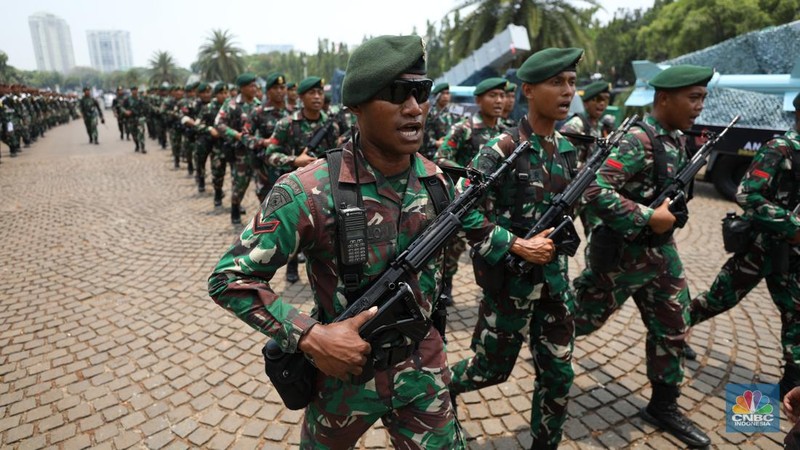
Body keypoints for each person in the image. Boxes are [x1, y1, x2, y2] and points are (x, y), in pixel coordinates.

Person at [209, 34, 475, 449]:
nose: (414, 108)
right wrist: (312, 337)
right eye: (396, 93)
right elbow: (229, 278)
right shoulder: (309, 190)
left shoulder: (438, 182)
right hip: (343, 375)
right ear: (356, 106)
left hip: (422, 368)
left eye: (421, 92)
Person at [572, 65, 714, 448]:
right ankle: (542, 344)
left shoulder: (676, 139)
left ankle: (663, 405)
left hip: (660, 255)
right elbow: (593, 189)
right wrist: (648, 216)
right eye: (693, 97)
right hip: (621, 258)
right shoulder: (639, 139)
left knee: (673, 325)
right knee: (580, 320)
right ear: (664, 99)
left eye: (703, 97)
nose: (700, 106)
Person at [448, 47, 583, 450]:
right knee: (489, 371)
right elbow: (458, 207)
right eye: (556, 82)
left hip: (555, 285)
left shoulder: (567, 148)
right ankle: (437, 392)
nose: (567, 91)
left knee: (559, 375)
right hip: (511, 285)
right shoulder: (502, 148)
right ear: (528, 90)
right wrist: (516, 244)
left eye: (571, 83)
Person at [688, 92, 800, 398]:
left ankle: (791, 382)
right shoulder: (780, 149)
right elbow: (748, 194)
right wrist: (792, 226)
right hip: (760, 247)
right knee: (720, 298)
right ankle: (672, 331)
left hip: (792, 254)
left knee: (796, 310)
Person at [433, 77, 508, 304]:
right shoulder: (464, 128)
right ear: (478, 100)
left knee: (494, 251)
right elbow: (442, 157)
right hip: (465, 203)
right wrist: (470, 173)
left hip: (495, 206)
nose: (498, 101)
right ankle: (445, 288)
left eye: (501, 96)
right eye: (492, 96)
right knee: (451, 253)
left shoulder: (506, 132)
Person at [261, 76, 338, 283]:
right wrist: (295, 160)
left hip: (326, 188)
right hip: (295, 187)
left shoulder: (331, 123)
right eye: (311, 93)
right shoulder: (287, 124)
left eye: (320, 93)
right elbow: (270, 154)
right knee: (295, 227)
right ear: (301, 97)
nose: (317, 97)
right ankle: (291, 266)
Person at [214, 73, 261, 225]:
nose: (254, 88)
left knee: (262, 185)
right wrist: (236, 135)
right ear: (242, 88)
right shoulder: (231, 104)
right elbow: (219, 124)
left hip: (258, 151)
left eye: (255, 85)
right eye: (250, 86)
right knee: (239, 183)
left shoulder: (259, 104)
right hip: (240, 153)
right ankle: (235, 209)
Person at [247, 72, 290, 204]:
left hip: (290, 166)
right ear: (268, 91)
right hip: (266, 169)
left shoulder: (293, 112)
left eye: (282, 88)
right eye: (275, 88)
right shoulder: (258, 113)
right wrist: (262, 142)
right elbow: (245, 135)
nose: (279, 91)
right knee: (267, 205)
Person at [559, 80, 611, 164]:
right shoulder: (576, 124)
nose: (602, 103)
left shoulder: (600, 126)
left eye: (606, 100)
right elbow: (558, 151)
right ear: (586, 103)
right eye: (598, 99)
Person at [421, 82, 455, 159]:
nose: (446, 96)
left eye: (447, 93)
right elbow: (421, 134)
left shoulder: (452, 114)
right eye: (443, 93)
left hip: (447, 154)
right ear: (437, 96)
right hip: (431, 154)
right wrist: (435, 143)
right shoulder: (429, 114)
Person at [123, 86, 147, 153]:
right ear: (131, 91)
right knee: (134, 134)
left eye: (136, 90)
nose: (135, 91)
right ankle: (137, 145)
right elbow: (122, 107)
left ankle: (143, 147)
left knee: (141, 132)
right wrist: (125, 111)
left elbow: (145, 106)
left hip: (140, 118)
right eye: (133, 90)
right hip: (131, 118)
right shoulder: (127, 99)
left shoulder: (141, 99)